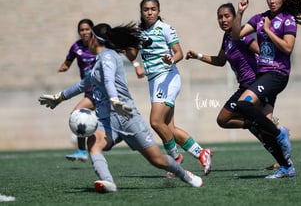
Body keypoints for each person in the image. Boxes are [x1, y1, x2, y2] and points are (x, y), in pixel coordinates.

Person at [39, 23, 203, 193]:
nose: (87, 40)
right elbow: (84, 84)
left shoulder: (108, 57)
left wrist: (115, 101)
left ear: (95, 39)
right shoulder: (99, 61)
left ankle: (186, 175)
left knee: (158, 161)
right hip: (107, 121)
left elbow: (109, 80)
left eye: (90, 37)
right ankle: (108, 182)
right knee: (93, 144)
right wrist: (59, 97)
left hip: (128, 118)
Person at [185, 2, 289, 170]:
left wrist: (273, 71)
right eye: (220, 17)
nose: (223, 20)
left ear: (234, 18)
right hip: (244, 86)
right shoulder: (227, 38)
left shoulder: (241, 35)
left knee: (258, 128)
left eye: (227, 16)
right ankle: (261, 130)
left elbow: (261, 52)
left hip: (254, 84)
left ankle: (283, 160)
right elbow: (220, 61)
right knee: (226, 120)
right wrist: (197, 56)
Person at [125, 0, 213, 176]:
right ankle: (201, 152)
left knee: (155, 121)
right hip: (154, 81)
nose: (150, 12)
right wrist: (129, 48)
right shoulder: (138, 31)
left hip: (167, 78)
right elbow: (132, 54)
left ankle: (175, 158)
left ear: (158, 11)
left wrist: (171, 59)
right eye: (146, 9)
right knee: (169, 128)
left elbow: (179, 53)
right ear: (141, 12)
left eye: (153, 9)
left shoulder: (165, 28)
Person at [232, 0, 301, 179]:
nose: (271, 0)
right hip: (263, 76)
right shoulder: (259, 18)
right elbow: (235, 36)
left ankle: (279, 133)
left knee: (243, 103)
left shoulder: (288, 19)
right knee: (262, 124)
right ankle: (286, 167)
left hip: (277, 75)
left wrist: (268, 32)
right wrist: (239, 13)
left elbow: (287, 48)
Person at [58, 18, 96, 162]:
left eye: (87, 29)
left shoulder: (98, 45)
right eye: (82, 30)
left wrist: (136, 64)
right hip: (89, 92)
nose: (85, 32)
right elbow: (67, 62)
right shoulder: (76, 47)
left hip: (104, 93)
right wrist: (64, 67)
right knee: (76, 114)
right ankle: (81, 151)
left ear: (92, 30)